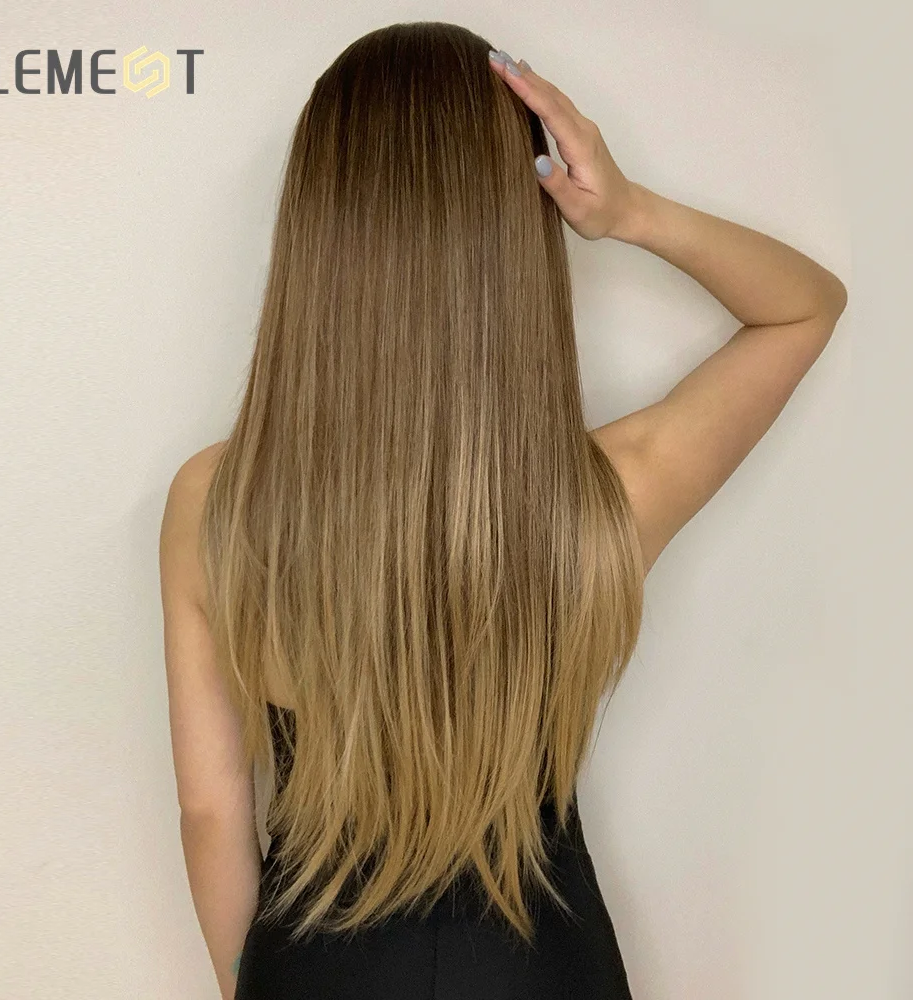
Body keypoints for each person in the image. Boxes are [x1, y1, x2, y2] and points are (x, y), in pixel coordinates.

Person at [158, 22, 847, 1000]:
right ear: (516, 228)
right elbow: (804, 306)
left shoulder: (217, 506)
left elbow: (211, 808)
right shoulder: (607, 495)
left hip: (313, 968)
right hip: (542, 967)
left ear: (318, 223)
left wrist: (249, 985)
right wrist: (628, 211)